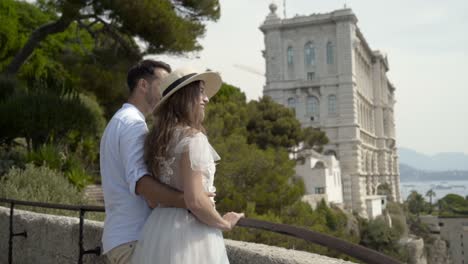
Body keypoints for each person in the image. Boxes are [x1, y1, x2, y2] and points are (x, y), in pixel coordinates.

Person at [100, 60, 212, 264]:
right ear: (143, 85)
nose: (167, 89)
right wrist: (191, 199)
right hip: (133, 237)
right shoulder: (133, 124)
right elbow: (141, 182)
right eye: (163, 83)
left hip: (121, 235)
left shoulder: (119, 120)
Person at [131, 67, 244, 264]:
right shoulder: (194, 139)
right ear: (184, 96)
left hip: (158, 230)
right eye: (200, 91)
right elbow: (195, 201)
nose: (206, 99)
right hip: (190, 233)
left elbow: (151, 200)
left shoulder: (156, 140)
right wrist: (224, 223)